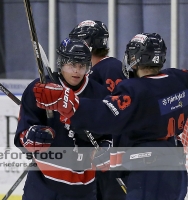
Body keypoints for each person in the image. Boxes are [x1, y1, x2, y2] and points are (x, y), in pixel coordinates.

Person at [33, 33, 188, 200]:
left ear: (134, 58)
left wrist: (68, 104)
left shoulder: (135, 89)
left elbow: (106, 114)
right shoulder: (178, 78)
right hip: (177, 170)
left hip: (148, 173)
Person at [14, 38, 111, 200]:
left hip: (83, 188)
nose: (77, 71)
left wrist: (105, 148)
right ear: (61, 63)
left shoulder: (100, 95)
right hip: (42, 184)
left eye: (82, 66)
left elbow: (111, 133)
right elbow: (22, 135)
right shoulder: (38, 89)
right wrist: (34, 138)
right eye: (72, 65)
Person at [69, 19, 127, 200]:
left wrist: (109, 143)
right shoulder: (101, 69)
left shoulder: (108, 69)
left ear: (87, 44)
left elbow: (119, 112)